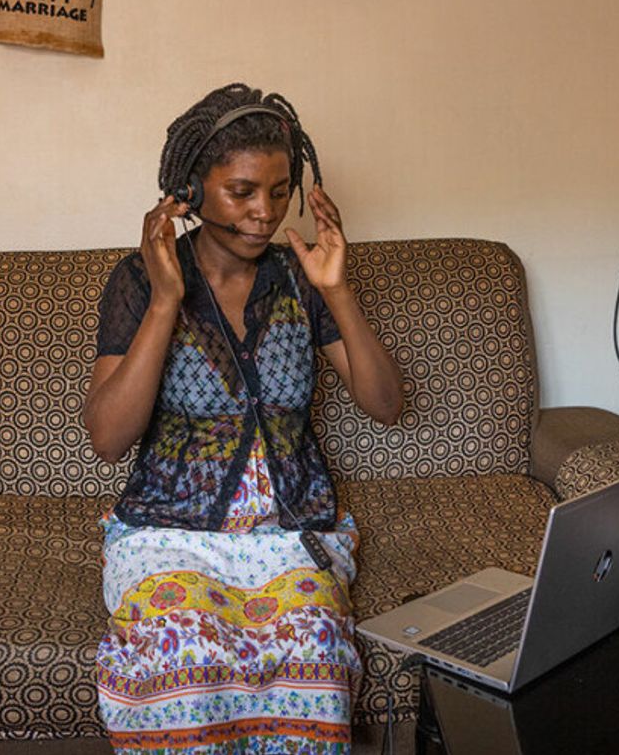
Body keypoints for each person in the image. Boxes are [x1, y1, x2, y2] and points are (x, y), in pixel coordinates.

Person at [87, 84, 403, 753]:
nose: (265, 212)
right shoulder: (140, 280)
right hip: (170, 530)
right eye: (242, 191)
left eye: (281, 190)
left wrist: (337, 291)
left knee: (314, 645)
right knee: (186, 644)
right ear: (190, 192)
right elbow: (109, 437)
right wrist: (166, 302)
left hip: (289, 531)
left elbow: (385, 405)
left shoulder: (300, 278)